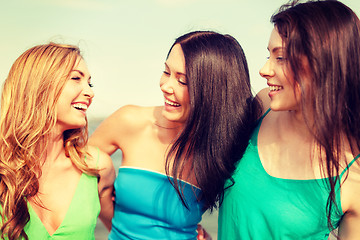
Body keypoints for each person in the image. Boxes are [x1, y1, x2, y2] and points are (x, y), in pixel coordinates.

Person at [89, 30, 260, 239]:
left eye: (183, 80)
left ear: (212, 91)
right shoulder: (129, 121)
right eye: (166, 72)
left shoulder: (226, 148)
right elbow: (75, 171)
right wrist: (105, 179)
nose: (165, 86)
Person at [218, 0, 360, 239]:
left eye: (281, 58)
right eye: (268, 55)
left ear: (324, 63)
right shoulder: (261, 106)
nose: (264, 69)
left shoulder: (353, 176)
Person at [0, 43, 115, 240]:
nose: (90, 92)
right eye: (76, 78)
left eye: (89, 83)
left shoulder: (97, 167)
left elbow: (124, 230)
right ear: (39, 84)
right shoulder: (4, 170)